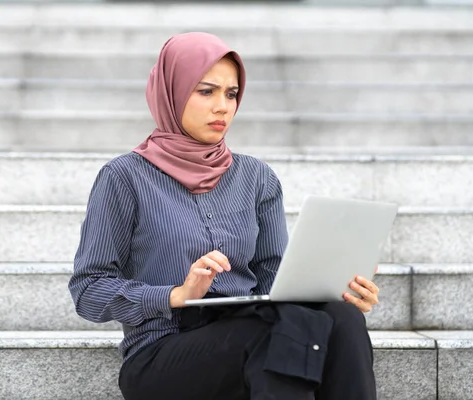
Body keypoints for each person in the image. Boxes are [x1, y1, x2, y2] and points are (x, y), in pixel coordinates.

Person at [69, 32, 380, 400]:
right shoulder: (125, 177)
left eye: (231, 94)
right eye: (206, 91)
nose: (223, 107)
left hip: (250, 331)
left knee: (340, 319)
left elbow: (274, 284)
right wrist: (175, 294)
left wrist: (332, 289)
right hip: (164, 353)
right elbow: (88, 289)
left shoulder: (256, 178)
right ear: (172, 91)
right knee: (273, 337)